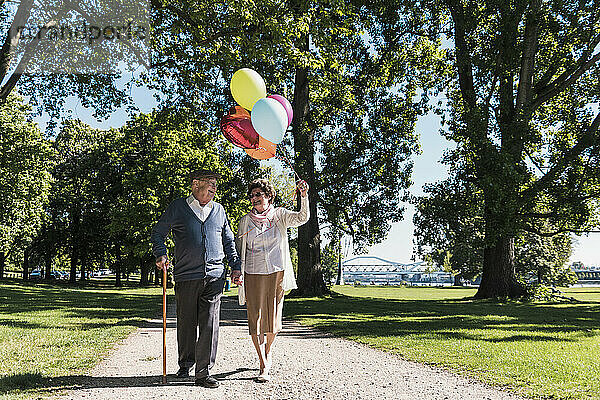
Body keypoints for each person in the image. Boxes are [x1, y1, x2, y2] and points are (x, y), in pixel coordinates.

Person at [151, 169, 242, 388]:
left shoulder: (219, 210)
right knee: (186, 322)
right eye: (210, 183)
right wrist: (161, 253)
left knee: (210, 324)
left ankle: (203, 372)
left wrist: (236, 266)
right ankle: (185, 364)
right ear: (195, 184)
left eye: (215, 185)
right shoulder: (178, 207)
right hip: (186, 275)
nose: (214, 188)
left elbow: (228, 241)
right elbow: (158, 233)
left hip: (214, 276)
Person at [235, 178, 309, 382]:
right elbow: (239, 248)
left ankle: (268, 352)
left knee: (273, 317)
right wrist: (237, 272)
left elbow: (303, 217)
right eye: (252, 196)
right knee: (255, 318)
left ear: (268, 195)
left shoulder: (280, 215)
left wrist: (304, 195)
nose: (254, 199)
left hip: (276, 271)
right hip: (252, 272)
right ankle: (262, 363)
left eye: (258, 194)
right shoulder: (245, 220)